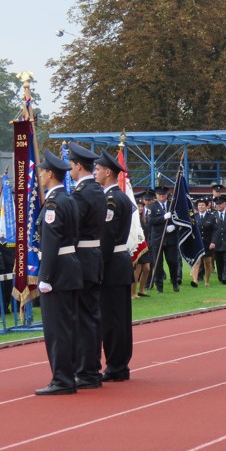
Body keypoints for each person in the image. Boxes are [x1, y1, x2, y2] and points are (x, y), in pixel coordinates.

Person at [35, 149, 83, 396]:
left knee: (57, 329)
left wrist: (45, 277)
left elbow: (51, 244)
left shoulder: (54, 203)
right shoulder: (69, 199)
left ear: (50, 174)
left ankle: (62, 378)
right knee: (68, 326)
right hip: (70, 268)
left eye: (42, 172)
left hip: (58, 272)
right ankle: (68, 373)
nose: (40, 176)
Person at [67, 142, 106, 390]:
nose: (69, 171)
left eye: (71, 167)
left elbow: (73, 226)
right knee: (90, 315)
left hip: (83, 257)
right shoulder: (97, 190)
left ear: (79, 166)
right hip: (94, 256)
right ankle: (91, 367)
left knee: (84, 318)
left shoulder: (82, 194)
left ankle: (88, 369)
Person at [94, 149, 134, 383]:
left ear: (108, 172)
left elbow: (107, 238)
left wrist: (97, 266)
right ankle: (119, 364)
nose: (95, 173)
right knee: (117, 318)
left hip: (112, 265)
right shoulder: (119, 197)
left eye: (98, 170)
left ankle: (117, 366)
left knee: (113, 320)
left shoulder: (111, 200)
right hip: (119, 264)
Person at [146, 184, 182, 292]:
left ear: (167, 195)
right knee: (158, 264)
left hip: (171, 239)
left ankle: (175, 283)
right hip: (157, 239)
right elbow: (151, 221)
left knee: (173, 262)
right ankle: (159, 287)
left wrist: (174, 226)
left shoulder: (173, 205)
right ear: (156, 195)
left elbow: (180, 219)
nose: (162, 196)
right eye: (159, 194)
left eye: (163, 194)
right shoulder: (152, 206)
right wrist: (163, 218)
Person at [190, 197, 217, 287]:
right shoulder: (194, 217)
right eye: (199, 205)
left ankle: (207, 281)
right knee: (197, 262)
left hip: (207, 243)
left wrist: (213, 242)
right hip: (197, 243)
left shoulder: (211, 217)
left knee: (207, 263)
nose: (201, 207)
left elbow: (215, 231)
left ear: (206, 206)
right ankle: (195, 280)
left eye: (202, 205)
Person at [133, 189, 155, 296]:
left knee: (147, 268)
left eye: (142, 206)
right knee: (138, 269)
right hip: (137, 246)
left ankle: (141, 290)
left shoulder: (145, 218)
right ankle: (133, 293)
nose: (140, 208)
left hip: (145, 246)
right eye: (138, 206)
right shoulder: (133, 220)